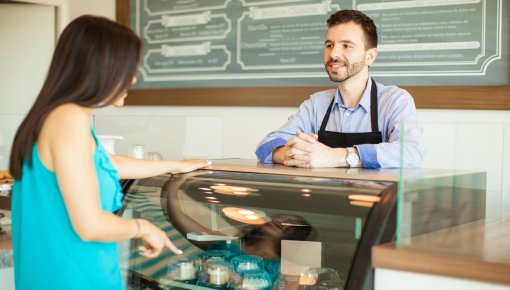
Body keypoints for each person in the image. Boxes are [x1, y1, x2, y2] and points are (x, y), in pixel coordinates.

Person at [8, 15, 210, 290]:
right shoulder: (69, 119)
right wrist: (145, 228)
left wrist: (175, 165)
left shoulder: (54, 116)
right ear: (102, 66)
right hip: (72, 280)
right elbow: (89, 225)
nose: (134, 78)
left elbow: (107, 163)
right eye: (128, 68)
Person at [255, 10, 425, 169]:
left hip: (374, 200)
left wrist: (338, 157)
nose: (333, 54)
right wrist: (293, 154)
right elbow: (265, 145)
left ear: (370, 56)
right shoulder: (316, 103)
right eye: (329, 45)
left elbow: (411, 152)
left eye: (346, 45)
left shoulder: (395, 100)